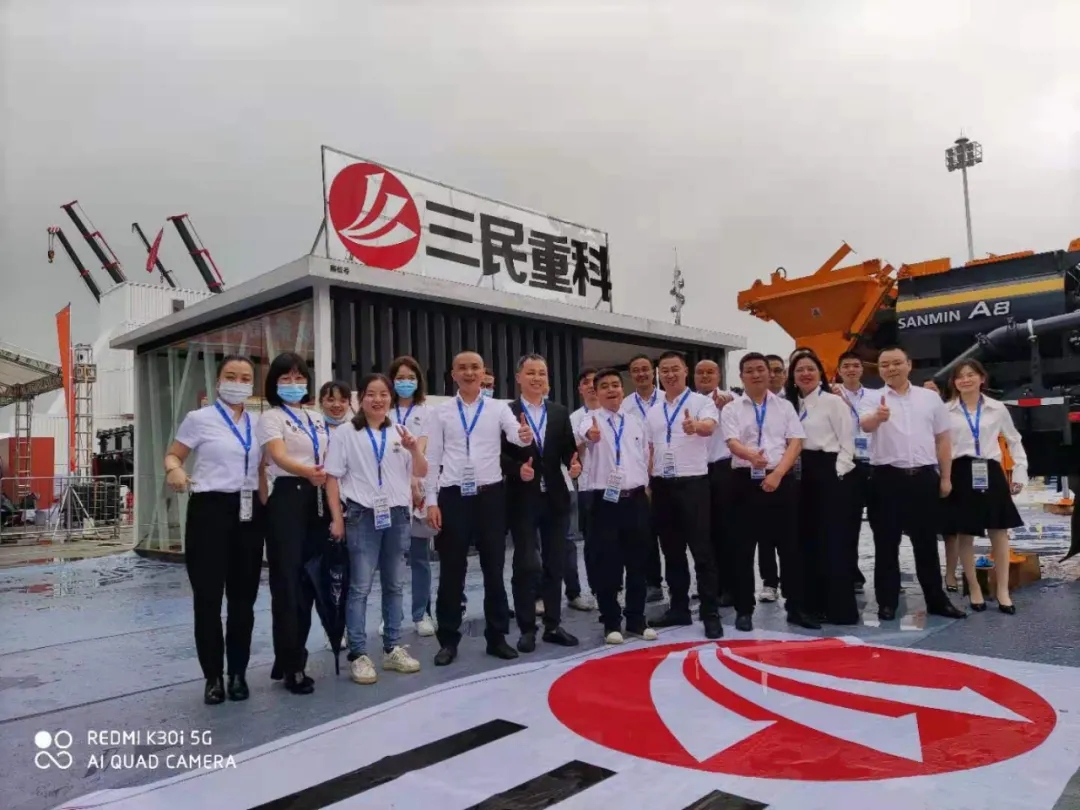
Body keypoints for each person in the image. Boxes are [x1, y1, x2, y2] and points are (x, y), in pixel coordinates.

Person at [164, 355, 267, 704]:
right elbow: (173, 455)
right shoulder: (200, 419)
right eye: (231, 376)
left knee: (243, 600)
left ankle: (238, 673)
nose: (238, 382)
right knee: (208, 599)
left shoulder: (258, 423)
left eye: (245, 377)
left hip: (249, 512)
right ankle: (213, 677)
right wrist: (174, 470)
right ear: (219, 380)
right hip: (210, 510)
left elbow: (264, 469)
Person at [424, 351, 533, 666]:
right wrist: (431, 501)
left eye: (475, 367)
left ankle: (497, 637)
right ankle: (448, 640)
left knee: (494, 570)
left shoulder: (498, 408)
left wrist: (523, 435)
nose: (469, 372)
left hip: (490, 497)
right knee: (451, 572)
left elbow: (515, 435)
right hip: (453, 496)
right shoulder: (441, 412)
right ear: (453, 374)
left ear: (483, 372)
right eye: (463, 368)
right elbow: (433, 458)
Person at [325, 374, 427, 684]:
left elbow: (421, 471)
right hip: (362, 516)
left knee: (395, 584)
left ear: (390, 398)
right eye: (371, 394)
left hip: (397, 515)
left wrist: (414, 449)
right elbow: (332, 478)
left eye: (383, 394)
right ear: (361, 399)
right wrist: (337, 518)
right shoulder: (345, 433)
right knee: (360, 587)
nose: (378, 399)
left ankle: (392, 647)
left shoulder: (401, 432)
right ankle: (358, 653)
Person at [858, 346, 966, 621]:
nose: (891, 368)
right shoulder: (872, 397)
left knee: (926, 543)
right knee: (886, 544)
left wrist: (945, 477)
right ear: (879, 370)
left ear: (909, 364)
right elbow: (865, 424)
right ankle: (887, 602)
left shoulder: (929, 398)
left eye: (896, 363)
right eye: (884, 365)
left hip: (923, 478)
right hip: (885, 478)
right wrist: (878, 417)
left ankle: (936, 600)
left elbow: (943, 439)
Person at [722, 352, 817, 632]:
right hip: (744, 480)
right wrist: (750, 455)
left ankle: (795, 608)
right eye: (749, 370)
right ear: (741, 376)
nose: (756, 374)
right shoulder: (731, 408)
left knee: (789, 547)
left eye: (761, 369)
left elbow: (796, 442)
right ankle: (744, 610)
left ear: (770, 373)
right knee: (742, 548)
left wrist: (777, 474)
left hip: (781, 479)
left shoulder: (784, 406)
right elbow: (732, 442)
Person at [256, 352, 331, 695]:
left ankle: (289, 654)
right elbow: (278, 455)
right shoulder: (270, 418)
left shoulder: (315, 417)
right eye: (285, 378)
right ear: (274, 383)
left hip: (317, 498)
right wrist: (308, 472)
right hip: (287, 497)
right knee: (287, 584)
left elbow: (328, 454)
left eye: (299, 378)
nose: (293, 384)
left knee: (310, 582)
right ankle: (292, 664)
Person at [502, 354, 582, 652]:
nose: (537, 378)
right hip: (522, 499)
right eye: (531, 372)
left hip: (555, 498)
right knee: (525, 564)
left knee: (554, 563)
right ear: (518, 377)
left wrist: (574, 465)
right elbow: (498, 453)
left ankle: (553, 624)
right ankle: (527, 629)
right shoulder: (507, 413)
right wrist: (516, 469)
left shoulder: (559, 412)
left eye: (542, 373)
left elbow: (569, 451)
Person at [645, 351, 723, 639]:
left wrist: (695, 426)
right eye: (664, 370)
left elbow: (709, 427)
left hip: (693, 484)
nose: (669, 374)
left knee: (702, 551)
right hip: (662, 486)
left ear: (685, 371)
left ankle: (710, 612)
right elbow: (649, 448)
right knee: (671, 551)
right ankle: (678, 607)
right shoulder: (653, 411)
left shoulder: (701, 402)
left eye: (674, 369)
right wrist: (648, 484)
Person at [939, 360, 1026, 613]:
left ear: (982, 378)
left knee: (999, 531)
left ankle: (1003, 591)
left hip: (990, 470)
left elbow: (1014, 440)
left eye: (971, 375)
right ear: (954, 382)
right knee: (965, 532)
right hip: (960, 471)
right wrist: (943, 477)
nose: (965, 380)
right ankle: (975, 588)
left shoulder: (997, 408)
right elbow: (940, 446)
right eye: (960, 376)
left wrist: (1019, 471)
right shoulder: (945, 411)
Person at [579, 368, 659, 644]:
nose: (611, 390)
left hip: (635, 499)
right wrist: (591, 435)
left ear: (622, 390)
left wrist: (646, 488)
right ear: (596, 392)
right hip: (605, 501)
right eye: (604, 386)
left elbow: (646, 456)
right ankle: (611, 622)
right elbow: (585, 435)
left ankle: (636, 619)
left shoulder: (636, 422)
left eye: (615, 385)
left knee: (638, 562)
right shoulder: (589, 419)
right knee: (607, 564)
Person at [785, 350, 858, 625]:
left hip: (828, 472)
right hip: (797, 473)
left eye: (810, 369)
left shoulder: (833, 402)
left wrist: (837, 473)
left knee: (832, 541)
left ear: (820, 374)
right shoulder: (788, 405)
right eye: (799, 370)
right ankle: (809, 605)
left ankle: (838, 608)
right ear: (792, 376)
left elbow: (847, 442)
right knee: (804, 541)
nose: (805, 374)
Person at [388, 355, 436, 637]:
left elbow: (423, 449)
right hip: (390, 491)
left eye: (410, 378)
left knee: (419, 557)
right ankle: (391, 615)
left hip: (418, 490)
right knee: (391, 559)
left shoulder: (427, 412)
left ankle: (422, 614)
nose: (405, 382)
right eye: (400, 378)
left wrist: (415, 484)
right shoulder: (384, 410)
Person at [620, 353, 665, 603]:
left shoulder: (668, 399)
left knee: (672, 532)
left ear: (653, 371)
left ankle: (681, 583)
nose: (641, 374)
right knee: (646, 534)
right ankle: (653, 583)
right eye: (635, 370)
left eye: (645, 369)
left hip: (668, 474)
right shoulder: (625, 405)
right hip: (641, 478)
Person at [693, 359, 736, 607]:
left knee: (726, 530)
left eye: (710, 372)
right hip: (696, 472)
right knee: (702, 532)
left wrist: (728, 406)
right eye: (700, 372)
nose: (705, 376)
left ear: (719, 376)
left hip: (722, 468)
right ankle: (709, 586)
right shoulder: (689, 402)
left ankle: (729, 587)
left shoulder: (732, 399)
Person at [834, 351, 875, 593]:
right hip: (847, 463)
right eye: (846, 366)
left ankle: (888, 574)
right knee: (849, 522)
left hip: (873, 461)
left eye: (855, 365)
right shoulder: (831, 395)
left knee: (882, 522)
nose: (851, 370)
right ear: (839, 370)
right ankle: (851, 572)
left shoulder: (875, 396)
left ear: (862, 369)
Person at [569, 368, 601, 602]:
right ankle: (596, 587)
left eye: (594, 381)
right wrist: (584, 436)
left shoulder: (616, 413)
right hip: (588, 485)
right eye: (586, 382)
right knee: (593, 540)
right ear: (580, 389)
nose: (591, 385)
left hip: (618, 486)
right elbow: (570, 452)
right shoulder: (573, 418)